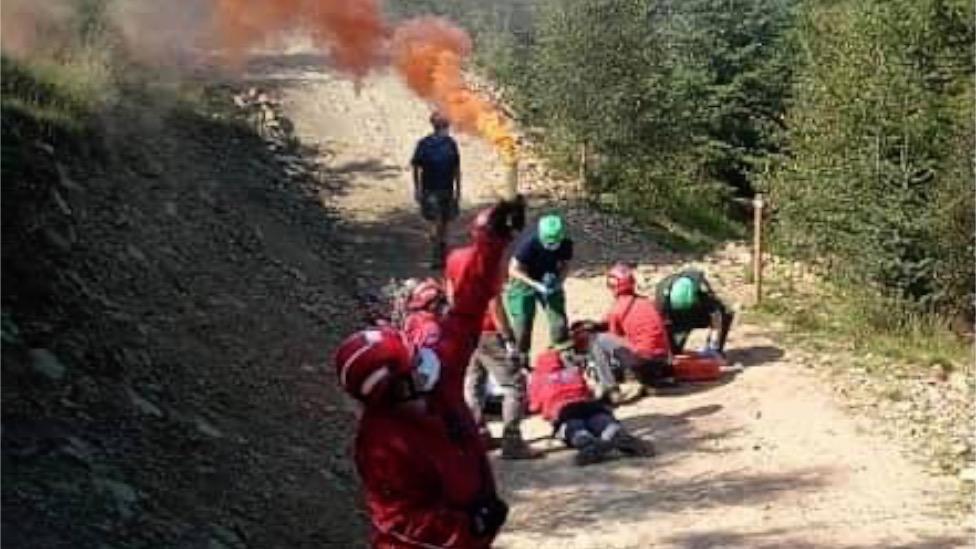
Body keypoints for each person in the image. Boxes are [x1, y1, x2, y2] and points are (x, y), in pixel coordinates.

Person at [335, 197, 525, 548]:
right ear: (393, 392)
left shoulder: (437, 374)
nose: (427, 367)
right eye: (415, 370)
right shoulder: (381, 445)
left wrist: (491, 242)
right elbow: (402, 521)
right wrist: (469, 525)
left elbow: (467, 308)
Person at [527, 332, 655, 466]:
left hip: (564, 409)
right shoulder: (573, 371)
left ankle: (587, 443)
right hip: (587, 403)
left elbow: (534, 405)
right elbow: (588, 392)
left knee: (574, 427)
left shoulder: (537, 378)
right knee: (599, 419)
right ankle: (616, 433)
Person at [581, 262, 674, 400]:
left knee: (597, 341)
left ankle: (610, 388)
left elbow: (614, 337)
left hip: (642, 358)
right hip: (662, 359)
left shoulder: (617, 309)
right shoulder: (646, 302)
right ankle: (652, 377)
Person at [504, 213, 573, 368]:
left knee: (558, 319)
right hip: (524, 279)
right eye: (548, 242)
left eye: (555, 242)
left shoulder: (566, 244)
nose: (552, 245)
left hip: (549, 278)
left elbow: (565, 265)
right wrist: (536, 285)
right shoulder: (529, 244)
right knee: (522, 321)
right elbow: (513, 269)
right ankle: (521, 360)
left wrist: (559, 282)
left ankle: (562, 353)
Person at [411, 111, 461, 269]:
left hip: (438, 190)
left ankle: (440, 255)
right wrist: (458, 191)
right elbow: (456, 170)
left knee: (441, 224)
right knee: (439, 224)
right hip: (437, 190)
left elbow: (416, 168)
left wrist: (417, 189)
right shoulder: (438, 144)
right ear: (443, 126)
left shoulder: (438, 143)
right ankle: (438, 256)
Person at [654, 268, 734, 355]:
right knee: (673, 351)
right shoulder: (662, 294)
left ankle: (715, 351)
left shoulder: (703, 291)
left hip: (696, 313)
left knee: (726, 313)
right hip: (674, 316)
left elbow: (717, 315)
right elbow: (658, 324)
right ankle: (673, 350)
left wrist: (714, 345)